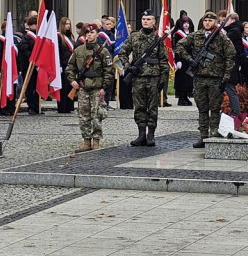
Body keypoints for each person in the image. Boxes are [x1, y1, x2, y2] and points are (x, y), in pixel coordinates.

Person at [174, 11, 236, 148]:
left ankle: (213, 135)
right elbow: (179, 46)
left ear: (215, 22)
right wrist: (189, 59)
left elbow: (231, 57)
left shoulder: (221, 37)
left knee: (214, 109)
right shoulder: (196, 35)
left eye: (210, 21)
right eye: (205, 21)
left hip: (215, 78)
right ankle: (203, 136)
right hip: (199, 78)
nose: (207, 23)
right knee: (202, 109)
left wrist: (225, 78)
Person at [118, 10, 170, 147]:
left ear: (154, 22)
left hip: (153, 77)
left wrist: (163, 79)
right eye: (144, 18)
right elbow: (122, 53)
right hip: (138, 77)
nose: (145, 21)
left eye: (148, 19)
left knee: (152, 107)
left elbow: (164, 60)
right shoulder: (134, 37)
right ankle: (141, 134)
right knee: (139, 106)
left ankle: (151, 134)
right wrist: (128, 67)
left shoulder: (158, 40)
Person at [65, 24, 112, 152]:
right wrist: (73, 81)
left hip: (97, 87)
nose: (89, 35)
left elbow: (109, 71)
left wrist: (104, 87)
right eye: (87, 33)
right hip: (82, 87)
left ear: (97, 34)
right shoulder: (78, 51)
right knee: (84, 115)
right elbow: (70, 67)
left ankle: (96, 141)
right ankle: (86, 141)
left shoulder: (103, 51)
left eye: (92, 33)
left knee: (97, 115)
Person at [16, 14, 40, 115]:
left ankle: (37, 106)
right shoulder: (26, 38)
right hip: (29, 66)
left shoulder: (39, 37)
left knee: (37, 87)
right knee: (29, 87)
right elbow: (25, 51)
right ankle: (31, 107)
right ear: (30, 26)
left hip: (38, 66)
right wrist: (34, 58)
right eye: (34, 24)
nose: (36, 26)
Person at [222, 12, 244, 118]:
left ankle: (236, 113)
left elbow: (223, 44)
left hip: (231, 65)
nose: (224, 22)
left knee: (230, 88)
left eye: (227, 20)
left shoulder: (234, 31)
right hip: (231, 63)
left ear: (233, 20)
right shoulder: (235, 30)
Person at [172, 17, 194, 105]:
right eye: (184, 23)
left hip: (189, 59)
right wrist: (177, 60)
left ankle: (186, 97)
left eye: (188, 23)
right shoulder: (178, 35)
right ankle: (181, 98)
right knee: (182, 79)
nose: (186, 24)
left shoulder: (191, 34)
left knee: (188, 79)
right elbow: (177, 48)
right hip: (181, 59)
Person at [56, 17, 75, 114]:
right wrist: (58, 65)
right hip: (62, 65)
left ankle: (69, 106)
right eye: (66, 24)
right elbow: (58, 52)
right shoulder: (59, 36)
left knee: (70, 86)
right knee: (63, 87)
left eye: (69, 24)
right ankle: (62, 107)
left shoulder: (71, 36)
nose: (68, 26)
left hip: (70, 65)